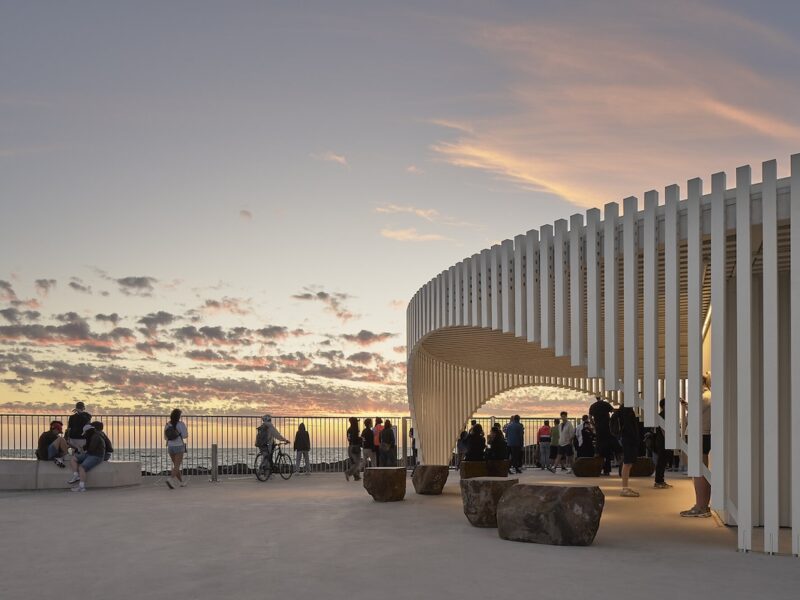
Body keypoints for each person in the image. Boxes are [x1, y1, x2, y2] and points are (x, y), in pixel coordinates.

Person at [681, 374, 713, 517]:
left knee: (698, 472)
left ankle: (701, 506)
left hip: (699, 435)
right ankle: (702, 505)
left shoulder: (705, 396)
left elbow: (693, 414)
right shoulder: (706, 396)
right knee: (700, 471)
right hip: (700, 435)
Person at [66, 423, 106, 492]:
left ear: (88, 431)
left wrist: (84, 451)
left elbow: (91, 449)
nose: (85, 435)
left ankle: (82, 487)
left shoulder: (96, 437)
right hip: (90, 454)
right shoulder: (92, 436)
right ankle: (76, 475)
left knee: (82, 467)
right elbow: (88, 448)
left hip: (96, 456)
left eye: (85, 433)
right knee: (74, 458)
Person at [590, 395, 617, 475]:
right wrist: (611, 421)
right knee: (607, 450)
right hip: (606, 429)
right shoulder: (606, 404)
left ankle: (597, 469)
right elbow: (613, 411)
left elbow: (590, 417)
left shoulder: (593, 406)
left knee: (599, 450)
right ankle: (607, 470)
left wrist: (594, 425)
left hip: (598, 430)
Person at [255, 414, 289, 478]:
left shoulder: (262, 426)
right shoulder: (270, 426)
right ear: (270, 420)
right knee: (267, 459)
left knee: (266, 458)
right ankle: (266, 474)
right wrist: (285, 440)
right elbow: (277, 435)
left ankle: (264, 473)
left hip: (261, 444)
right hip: (268, 445)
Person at [619, 406, 640, 497]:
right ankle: (624, 488)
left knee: (628, 463)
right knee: (627, 463)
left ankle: (625, 487)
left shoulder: (626, 409)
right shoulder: (626, 409)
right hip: (628, 439)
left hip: (627, 439)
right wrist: (635, 439)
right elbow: (628, 426)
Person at [164, 408, 189, 489]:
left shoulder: (167, 424)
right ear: (179, 416)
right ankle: (170, 479)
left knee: (176, 465)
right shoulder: (181, 424)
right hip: (179, 446)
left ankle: (181, 482)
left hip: (170, 446)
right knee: (177, 465)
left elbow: (165, 437)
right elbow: (185, 435)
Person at [652, 400, 672, 489]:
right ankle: (658, 481)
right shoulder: (663, 415)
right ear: (664, 406)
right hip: (663, 441)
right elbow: (663, 430)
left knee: (662, 461)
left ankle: (661, 480)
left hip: (662, 440)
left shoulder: (663, 414)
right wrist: (668, 439)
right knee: (661, 461)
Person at [345, 417, 362, 481]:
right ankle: (348, 473)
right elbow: (355, 438)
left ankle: (356, 476)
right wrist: (360, 439)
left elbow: (349, 438)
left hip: (350, 447)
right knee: (357, 463)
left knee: (353, 463)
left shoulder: (349, 429)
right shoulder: (355, 429)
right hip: (355, 447)